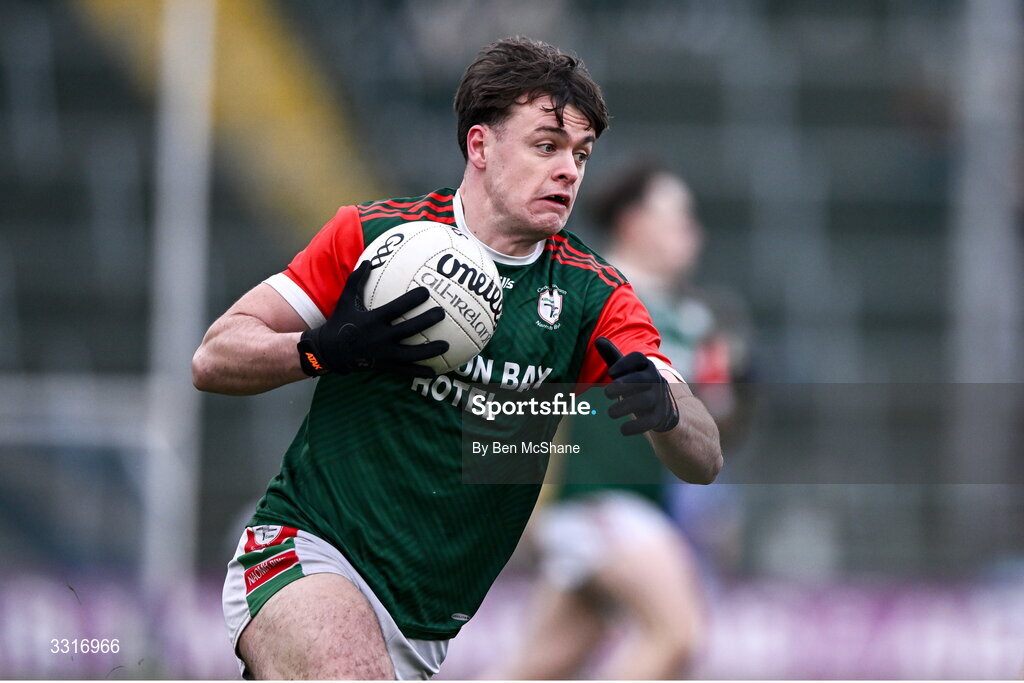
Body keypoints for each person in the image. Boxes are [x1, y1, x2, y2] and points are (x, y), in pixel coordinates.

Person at [192, 37, 722, 680]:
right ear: (480, 146)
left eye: (581, 156)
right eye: (547, 146)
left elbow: (704, 454)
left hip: (425, 624)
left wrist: (665, 408)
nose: (570, 172)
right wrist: (322, 349)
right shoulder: (374, 237)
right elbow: (215, 357)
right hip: (305, 549)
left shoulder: (595, 296)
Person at [490, 162, 742, 680]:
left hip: (637, 511)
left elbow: (713, 439)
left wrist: (735, 392)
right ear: (633, 223)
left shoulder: (692, 320)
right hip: (598, 505)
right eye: (676, 217)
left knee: (542, 665)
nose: (691, 232)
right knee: (679, 634)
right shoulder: (585, 296)